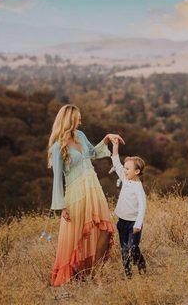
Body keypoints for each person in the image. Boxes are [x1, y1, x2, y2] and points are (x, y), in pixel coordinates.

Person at [48, 104, 124, 286]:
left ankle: (94, 273)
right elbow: (57, 178)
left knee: (105, 230)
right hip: (75, 194)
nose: (80, 121)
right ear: (69, 119)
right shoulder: (58, 146)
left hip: (93, 188)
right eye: (77, 118)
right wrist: (61, 206)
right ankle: (74, 275)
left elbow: (93, 153)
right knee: (76, 236)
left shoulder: (80, 135)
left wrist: (106, 138)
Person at [110, 137, 147, 277]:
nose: (124, 171)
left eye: (128, 169)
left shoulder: (138, 188)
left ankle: (141, 263)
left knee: (133, 247)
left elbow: (143, 207)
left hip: (133, 224)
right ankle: (128, 274)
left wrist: (138, 224)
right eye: (125, 168)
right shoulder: (125, 178)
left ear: (136, 172)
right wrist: (115, 146)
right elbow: (116, 162)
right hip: (122, 222)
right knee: (124, 249)